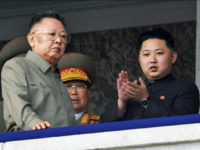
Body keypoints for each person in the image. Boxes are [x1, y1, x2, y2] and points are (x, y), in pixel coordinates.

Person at [1, 10, 75, 132]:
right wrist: (34, 123)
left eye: (63, 36)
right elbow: (18, 103)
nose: (59, 40)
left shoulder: (58, 78)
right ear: (32, 39)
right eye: (52, 34)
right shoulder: (16, 66)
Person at [117, 28, 199, 120]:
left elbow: (182, 123)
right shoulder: (134, 91)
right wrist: (121, 102)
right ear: (140, 59)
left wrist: (145, 100)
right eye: (146, 54)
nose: (152, 60)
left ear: (173, 57)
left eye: (159, 53)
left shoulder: (185, 88)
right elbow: (103, 125)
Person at [58, 52, 101, 125]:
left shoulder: (99, 125)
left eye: (80, 86)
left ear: (89, 93)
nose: (74, 92)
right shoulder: (46, 125)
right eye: (67, 86)